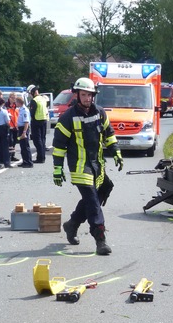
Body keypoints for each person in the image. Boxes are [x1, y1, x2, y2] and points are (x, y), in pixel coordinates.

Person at [52, 77, 123, 255]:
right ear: (77, 95)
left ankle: (73, 223)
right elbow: (59, 146)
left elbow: (109, 134)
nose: (87, 98)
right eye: (84, 95)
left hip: (97, 165)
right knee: (92, 201)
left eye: (90, 95)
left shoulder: (100, 112)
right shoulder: (67, 118)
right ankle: (100, 240)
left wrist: (116, 152)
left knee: (105, 188)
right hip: (79, 167)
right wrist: (57, 169)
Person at [27, 84, 48, 163]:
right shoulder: (43, 98)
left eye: (30, 93)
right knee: (42, 139)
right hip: (44, 120)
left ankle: (40, 158)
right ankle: (42, 157)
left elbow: (32, 112)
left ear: (33, 92)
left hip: (36, 121)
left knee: (37, 140)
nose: (30, 95)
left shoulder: (34, 100)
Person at [15, 95, 33, 168]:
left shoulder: (25, 110)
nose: (15, 103)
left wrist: (24, 132)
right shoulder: (21, 109)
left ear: (19, 102)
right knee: (22, 146)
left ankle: (29, 162)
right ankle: (25, 161)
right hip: (21, 128)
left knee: (25, 146)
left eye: (16, 102)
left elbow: (26, 122)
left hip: (23, 129)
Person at [5, 92, 19, 162]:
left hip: (15, 126)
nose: (14, 99)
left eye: (15, 98)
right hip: (9, 126)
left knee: (14, 141)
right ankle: (9, 156)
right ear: (9, 98)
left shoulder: (16, 106)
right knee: (10, 141)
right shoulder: (5, 106)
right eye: (13, 98)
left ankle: (12, 155)